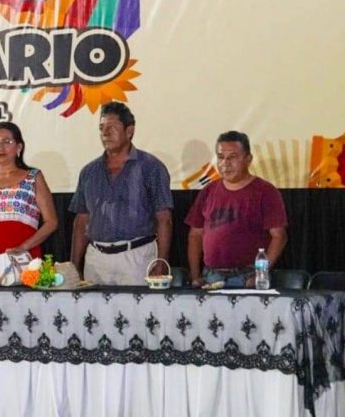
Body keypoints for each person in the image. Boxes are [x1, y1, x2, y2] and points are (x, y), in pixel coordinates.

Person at [70, 102, 173, 285]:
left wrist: (162, 261)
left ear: (129, 130)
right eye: (101, 128)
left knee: (137, 313)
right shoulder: (89, 171)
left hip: (136, 257)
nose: (105, 133)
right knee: (93, 313)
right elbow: (81, 221)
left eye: (112, 127)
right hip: (96, 259)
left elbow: (164, 219)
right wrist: (74, 264)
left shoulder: (151, 167)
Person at [186, 131, 287, 288]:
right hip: (211, 277)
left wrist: (259, 275)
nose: (225, 163)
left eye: (232, 157)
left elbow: (279, 237)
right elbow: (195, 235)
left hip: (248, 278)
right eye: (220, 157)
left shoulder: (265, 192)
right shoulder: (209, 190)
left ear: (248, 159)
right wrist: (195, 276)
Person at [0, 122, 58, 264]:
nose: (0, 147)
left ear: (19, 147)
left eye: (7, 142)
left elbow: (51, 222)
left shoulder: (33, 177)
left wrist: (24, 247)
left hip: (22, 259)